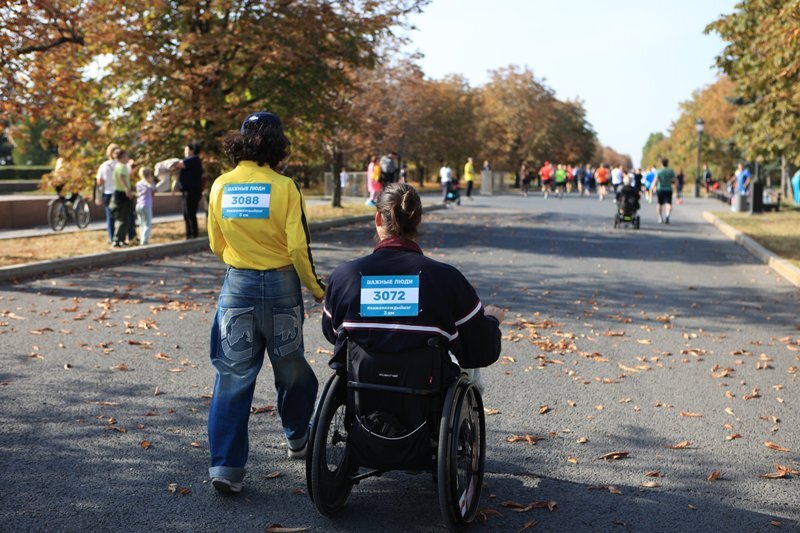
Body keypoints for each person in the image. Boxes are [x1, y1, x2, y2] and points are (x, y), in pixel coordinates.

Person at [206, 111, 326, 495]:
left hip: (237, 288)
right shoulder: (285, 187)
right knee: (292, 371)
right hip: (281, 288)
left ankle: (226, 467)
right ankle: (297, 437)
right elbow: (297, 246)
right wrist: (318, 290)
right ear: (278, 143)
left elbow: (215, 243)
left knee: (233, 377)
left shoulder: (221, 185)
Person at [321, 182, 504, 398]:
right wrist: (491, 321)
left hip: (362, 389)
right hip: (425, 393)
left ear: (378, 219)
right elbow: (480, 350)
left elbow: (331, 333)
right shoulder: (446, 278)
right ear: (418, 221)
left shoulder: (344, 276)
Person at [171, 142, 204, 239]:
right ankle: (189, 234)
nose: (184, 152)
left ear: (192, 151)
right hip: (187, 191)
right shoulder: (191, 161)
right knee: (186, 213)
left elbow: (179, 164)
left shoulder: (193, 159)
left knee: (190, 213)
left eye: (186, 150)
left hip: (192, 191)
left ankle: (193, 234)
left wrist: (168, 163)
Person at [95, 144, 120, 243]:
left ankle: (112, 237)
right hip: (119, 193)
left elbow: (99, 182)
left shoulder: (104, 165)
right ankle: (119, 237)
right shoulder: (121, 164)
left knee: (110, 217)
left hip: (108, 193)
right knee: (120, 217)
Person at [110, 150, 134, 248]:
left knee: (123, 217)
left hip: (118, 192)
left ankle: (121, 239)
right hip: (122, 194)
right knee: (123, 217)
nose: (127, 158)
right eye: (126, 156)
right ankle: (117, 240)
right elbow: (122, 177)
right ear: (122, 157)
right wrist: (127, 190)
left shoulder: (117, 166)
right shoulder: (122, 167)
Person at [135, 167, 156, 245]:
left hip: (138, 205)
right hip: (146, 205)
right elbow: (153, 193)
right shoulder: (150, 184)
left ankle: (142, 239)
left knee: (142, 224)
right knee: (147, 224)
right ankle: (145, 241)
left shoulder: (138, 183)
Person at [651, 158, 675, 224]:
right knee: (668, 203)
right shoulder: (670, 171)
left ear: (661, 163)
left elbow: (655, 180)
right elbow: (674, 180)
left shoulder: (658, 171)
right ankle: (667, 216)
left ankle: (660, 217)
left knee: (659, 203)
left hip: (660, 189)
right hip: (668, 189)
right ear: (667, 163)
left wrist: (653, 187)